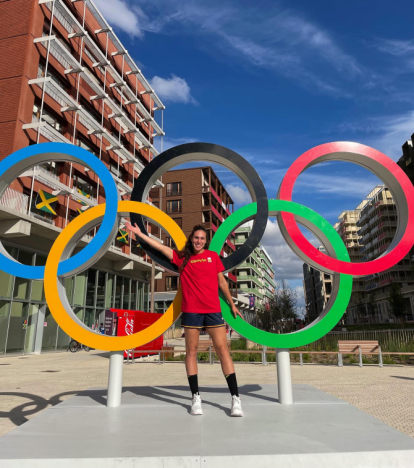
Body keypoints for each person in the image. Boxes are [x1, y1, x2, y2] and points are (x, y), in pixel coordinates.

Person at [125, 221, 244, 417]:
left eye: (202, 239)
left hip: (213, 310)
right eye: (196, 238)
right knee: (191, 350)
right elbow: (161, 247)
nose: (199, 241)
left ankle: (235, 399)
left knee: (223, 350)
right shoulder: (182, 258)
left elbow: (222, 282)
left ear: (206, 242)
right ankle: (195, 397)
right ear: (192, 239)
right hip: (192, 311)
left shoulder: (212, 257)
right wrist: (139, 234)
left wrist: (231, 303)